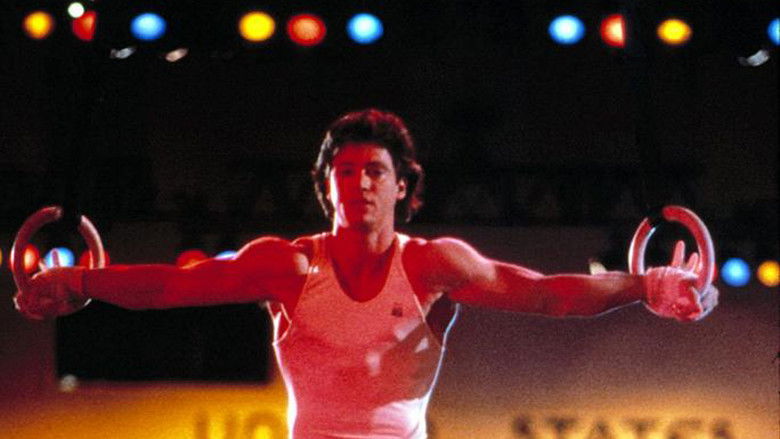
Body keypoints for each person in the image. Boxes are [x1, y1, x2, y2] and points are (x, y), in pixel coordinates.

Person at [14, 109, 718, 439]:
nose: (359, 184)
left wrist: (647, 285)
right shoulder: (289, 266)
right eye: (344, 172)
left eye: (374, 171)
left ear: (402, 185)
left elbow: (545, 295)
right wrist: (77, 282)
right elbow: (172, 287)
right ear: (326, 187)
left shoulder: (433, 265)